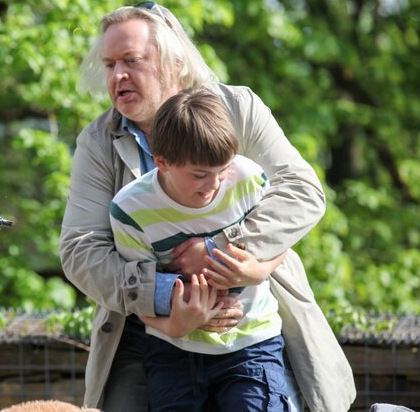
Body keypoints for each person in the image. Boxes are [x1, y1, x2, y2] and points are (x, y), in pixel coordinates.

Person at [59, 1, 356, 411]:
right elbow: (80, 250)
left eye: (132, 60)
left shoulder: (237, 108)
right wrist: (171, 298)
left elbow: (301, 190)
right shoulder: (97, 143)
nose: (118, 76)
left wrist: (219, 252)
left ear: (174, 62)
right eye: (109, 65)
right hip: (148, 331)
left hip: (255, 322)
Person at [111, 87, 289, 410]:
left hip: (251, 342)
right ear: (161, 162)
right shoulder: (131, 209)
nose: (215, 185)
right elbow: (137, 292)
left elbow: (281, 237)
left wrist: (260, 269)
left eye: (222, 171)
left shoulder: (248, 179)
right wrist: (176, 325)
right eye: (200, 175)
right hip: (173, 352)